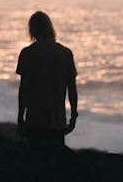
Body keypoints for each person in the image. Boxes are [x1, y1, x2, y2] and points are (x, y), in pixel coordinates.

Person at [16, 11, 78, 147]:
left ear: (32, 30)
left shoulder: (27, 54)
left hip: (34, 121)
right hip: (57, 121)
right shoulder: (65, 53)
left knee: (37, 164)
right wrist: (73, 116)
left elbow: (24, 90)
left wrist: (20, 118)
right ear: (50, 28)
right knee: (55, 164)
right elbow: (72, 89)